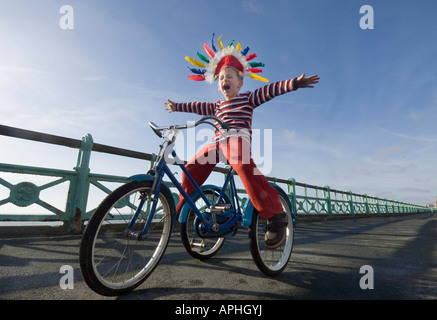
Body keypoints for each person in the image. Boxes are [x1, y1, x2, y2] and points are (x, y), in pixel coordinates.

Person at [164, 34, 319, 248]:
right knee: (190, 167)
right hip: (217, 143)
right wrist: (177, 106)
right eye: (220, 78)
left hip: (237, 140)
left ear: (240, 82)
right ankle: (184, 205)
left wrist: (294, 83)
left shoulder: (247, 98)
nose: (224, 80)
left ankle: (275, 216)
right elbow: (197, 106)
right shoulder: (217, 105)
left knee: (243, 164)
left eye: (229, 76)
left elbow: (269, 90)